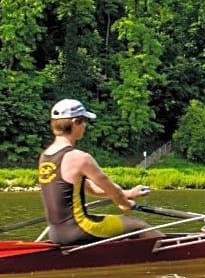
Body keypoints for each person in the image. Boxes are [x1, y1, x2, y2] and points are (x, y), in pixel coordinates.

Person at [37, 98, 163, 245]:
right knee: (136, 223)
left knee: (120, 227)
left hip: (56, 234)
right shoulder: (80, 158)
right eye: (85, 121)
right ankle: (174, 254)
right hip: (80, 228)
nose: (85, 126)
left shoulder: (45, 156)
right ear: (75, 122)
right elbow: (113, 191)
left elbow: (90, 188)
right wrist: (124, 204)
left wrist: (129, 194)